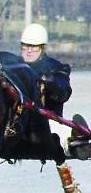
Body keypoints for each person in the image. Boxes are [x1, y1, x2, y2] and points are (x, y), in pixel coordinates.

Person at [18, 23, 88, 159]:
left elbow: (63, 93)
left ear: (42, 48)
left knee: (58, 132)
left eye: (33, 47)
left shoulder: (56, 68)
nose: (28, 50)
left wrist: (49, 81)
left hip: (46, 121)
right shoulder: (13, 66)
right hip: (17, 121)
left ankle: (77, 141)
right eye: (25, 46)